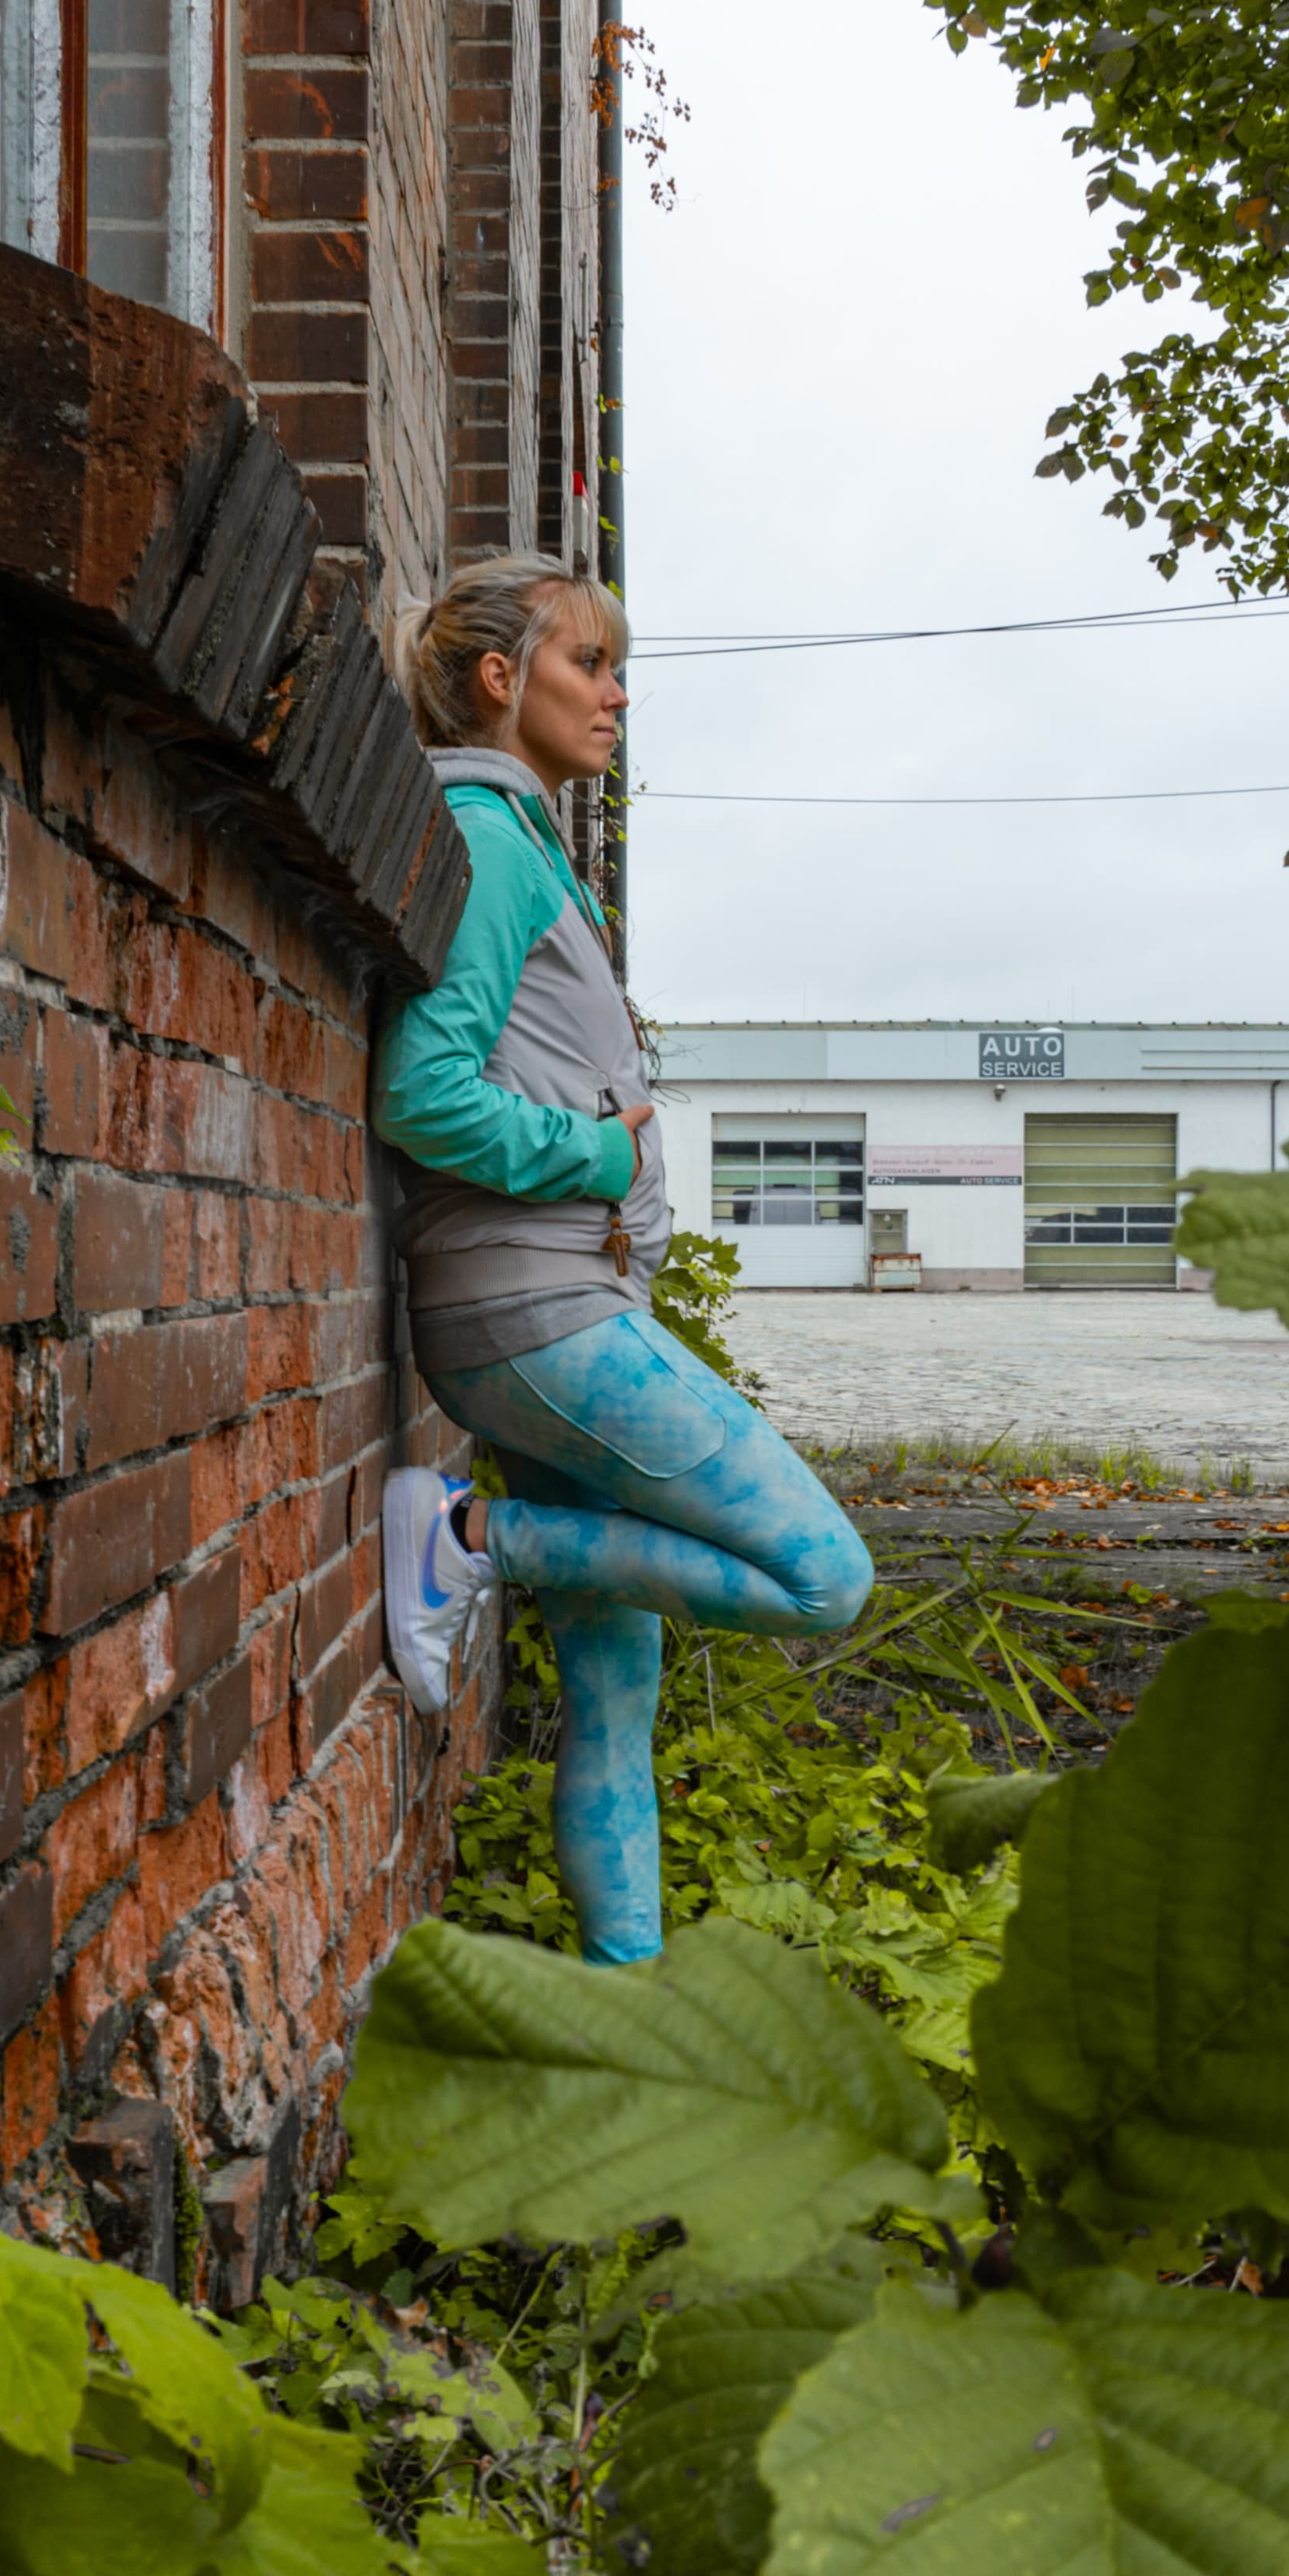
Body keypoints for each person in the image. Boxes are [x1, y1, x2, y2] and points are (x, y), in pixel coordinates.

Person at [372, 551, 875, 1963]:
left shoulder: (529, 852)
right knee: (823, 1576)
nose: (615, 694)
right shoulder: (482, 841)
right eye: (590, 664)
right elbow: (421, 1094)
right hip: (537, 1314)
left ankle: (623, 2005)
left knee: (614, 1695)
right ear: (499, 677)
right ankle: (470, 1539)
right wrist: (608, 1154)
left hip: (551, 1310)